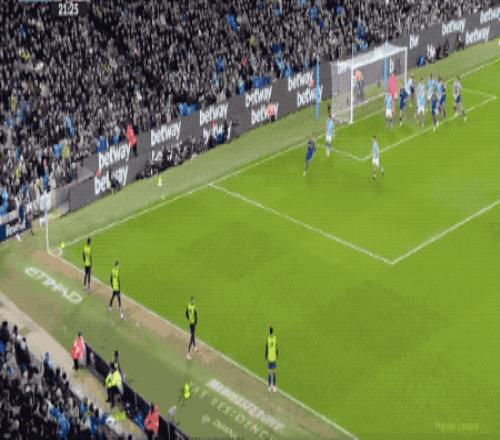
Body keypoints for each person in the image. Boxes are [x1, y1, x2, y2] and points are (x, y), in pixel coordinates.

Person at [265, 326, 278, 392]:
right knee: (274, 372)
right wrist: (277, 355)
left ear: (269, 331)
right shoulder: (275, 338)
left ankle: (270, 387)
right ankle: (274, 386)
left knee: (269, 372)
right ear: (273, 331)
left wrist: (265, 356)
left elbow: (266, 348)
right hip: (274, 358)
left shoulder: (268, 339)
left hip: (269, 358)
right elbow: (276, 348)